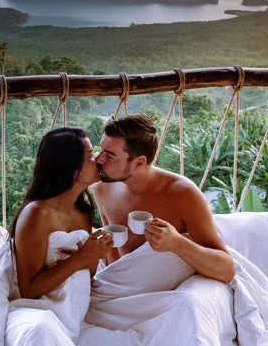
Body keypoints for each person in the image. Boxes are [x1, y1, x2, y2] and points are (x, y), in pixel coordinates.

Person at [93, 113, 235, 283]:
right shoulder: (102, 189)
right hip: (133, 286)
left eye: (110, 155)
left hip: (181, 284)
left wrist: (176, 243)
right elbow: (114, 258)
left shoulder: (183, 193)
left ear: (139, 162)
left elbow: (226, 270)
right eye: (100, 149)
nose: (99, 159)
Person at [9, 126, 113, 299]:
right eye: (90, 156)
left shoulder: (83, 211)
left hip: (73, 301)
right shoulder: (37, 214)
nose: (97, 160)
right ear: (70, 168)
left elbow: (89, 274)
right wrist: (82, 256)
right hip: (37, 306)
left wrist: (96, 253)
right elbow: (28, 290)